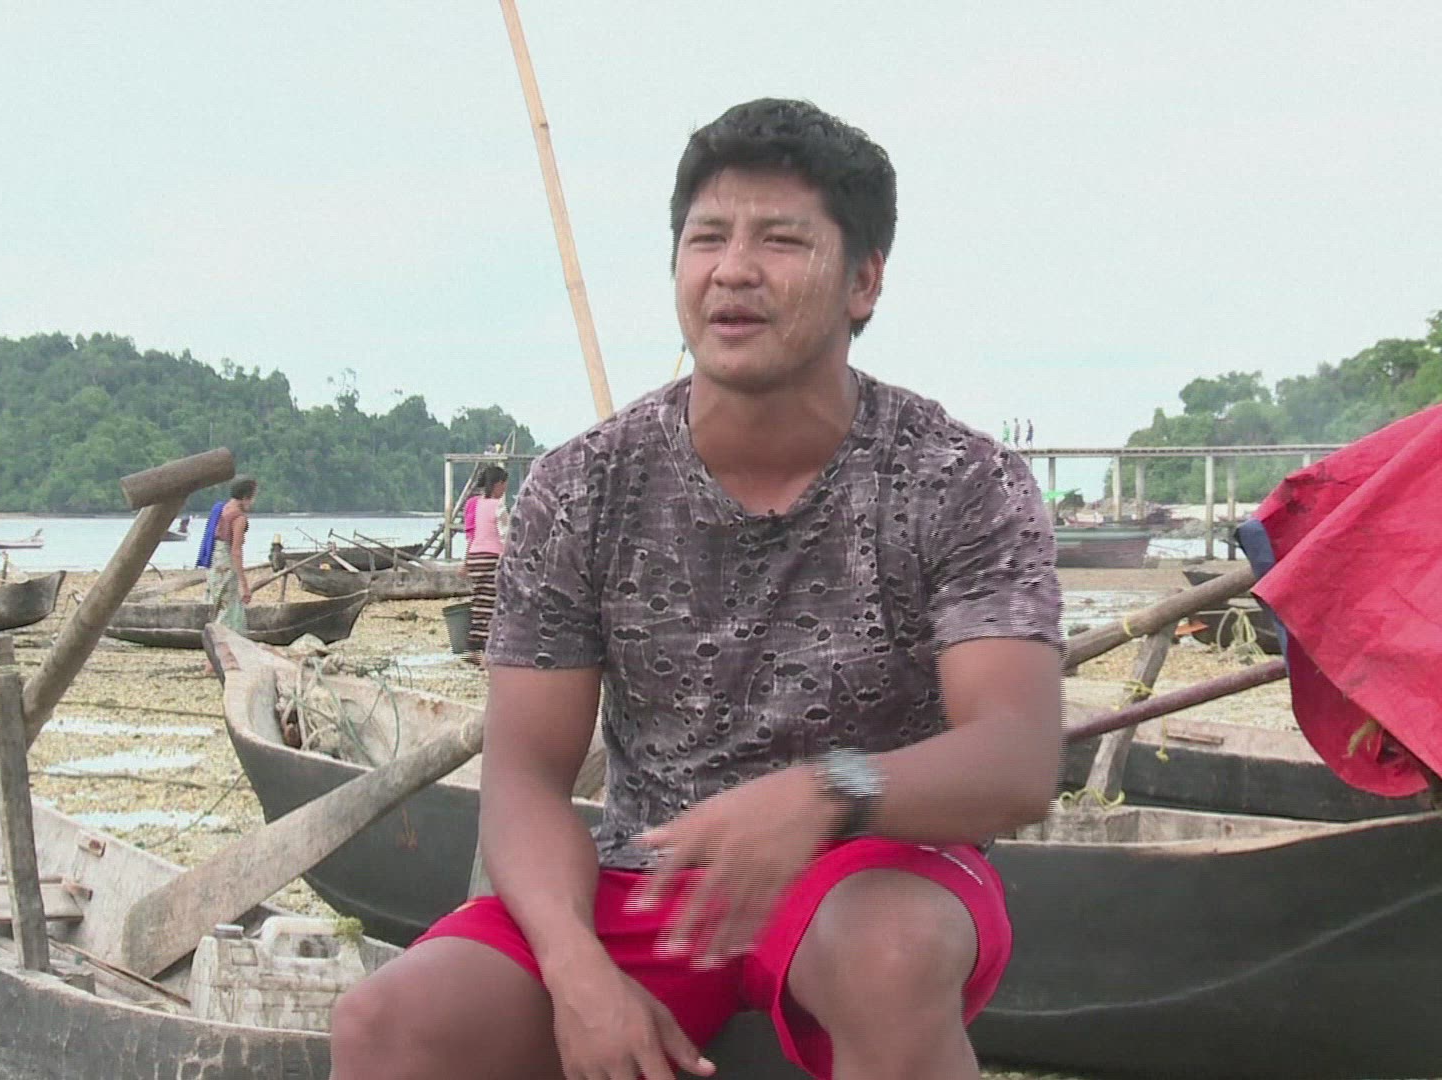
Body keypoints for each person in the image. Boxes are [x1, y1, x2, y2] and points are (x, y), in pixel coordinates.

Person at [328, 98, 1063, 1080]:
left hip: (875, 863)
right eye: (707, 238)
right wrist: (576, 969)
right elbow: (525, 779)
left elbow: (1017, 756)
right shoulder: (583, 487)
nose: (733, 269)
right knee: (388, 1021)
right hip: (650, 881)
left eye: (781, 240)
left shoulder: (957, 479)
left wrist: (829, 792)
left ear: (864, 280)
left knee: (887, 955)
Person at [462, 465, 511, 659]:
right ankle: (485, 645)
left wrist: (465, 561)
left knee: (479, 601)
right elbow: (505, 534)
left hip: (476, 557)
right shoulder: (498, 506)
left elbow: (472, 532)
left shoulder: (475, 503)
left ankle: (474, 644)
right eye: (504, 485)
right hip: (492, 557)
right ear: (498, 484)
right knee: (492, 602)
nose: (505, 489)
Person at [205, 477, 257, 633]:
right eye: (253, 497)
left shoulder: (222, 509)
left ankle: (216, 636)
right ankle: (226, 639)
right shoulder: (238, 518)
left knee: (218, 603)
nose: (253, 502)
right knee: (229, 609)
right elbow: (236, 552)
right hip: (225, 564)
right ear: (245, 497)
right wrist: (245, 585)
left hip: (214, 563)